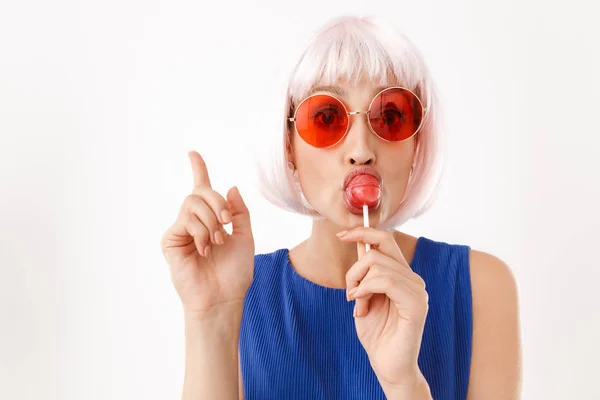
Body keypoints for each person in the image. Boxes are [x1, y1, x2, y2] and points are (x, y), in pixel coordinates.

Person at [160, 15, 522, 400]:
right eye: (327, 118)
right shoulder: (240, 290)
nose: (362, 151)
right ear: (288, 147)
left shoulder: (480, 286)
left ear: (418, 144)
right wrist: (210, 318)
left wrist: (405, 384)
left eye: (391, 116)